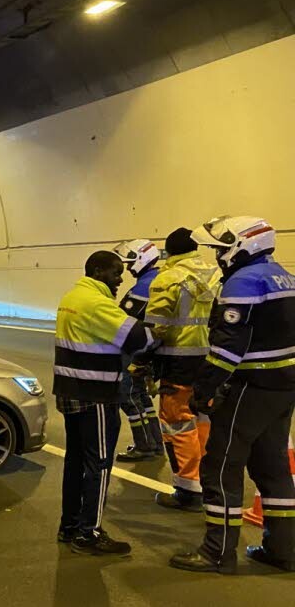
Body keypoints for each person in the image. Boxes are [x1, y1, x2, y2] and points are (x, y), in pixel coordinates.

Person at [171, 216, 295, 573]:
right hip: (283, 388)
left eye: (221, 249)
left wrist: (204, 389)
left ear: (243, 245)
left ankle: (217, 552)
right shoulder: (284, 276)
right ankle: (283, 549)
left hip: (250, 387)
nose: (218, 256)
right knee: (272, 467)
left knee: (221, 466)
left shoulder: (243, 282)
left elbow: (227, 346)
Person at [54, 251, 155, 555]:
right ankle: (90, 534)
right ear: (98, 271)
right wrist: (162, 330)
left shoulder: (72, 296)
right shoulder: (96, 303)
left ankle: (70, 526)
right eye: (115, 273)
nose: (120, 279)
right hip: (94, 394)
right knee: (98, 464)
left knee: (75, 463)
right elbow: (139, 339)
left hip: (72, 392)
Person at [143, 228, 220, 510]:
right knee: (203, 420)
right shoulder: (216, 273)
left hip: (177, 363)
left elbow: (156, 327)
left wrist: (140, 360)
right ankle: (206, 481)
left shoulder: (167, 278)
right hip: (211, 361)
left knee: (177, 423)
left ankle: (187, 489)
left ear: (170, 251)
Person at [112, 239, 166, 461]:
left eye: (129, 263)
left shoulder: (145, 286)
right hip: (151, 350)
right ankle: (155, 443)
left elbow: (124, 320)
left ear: (141, 258)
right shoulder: (159, 279)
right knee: (142, 396)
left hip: (135, 350)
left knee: (128, 396)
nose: (127, 268)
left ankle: (144, 445)